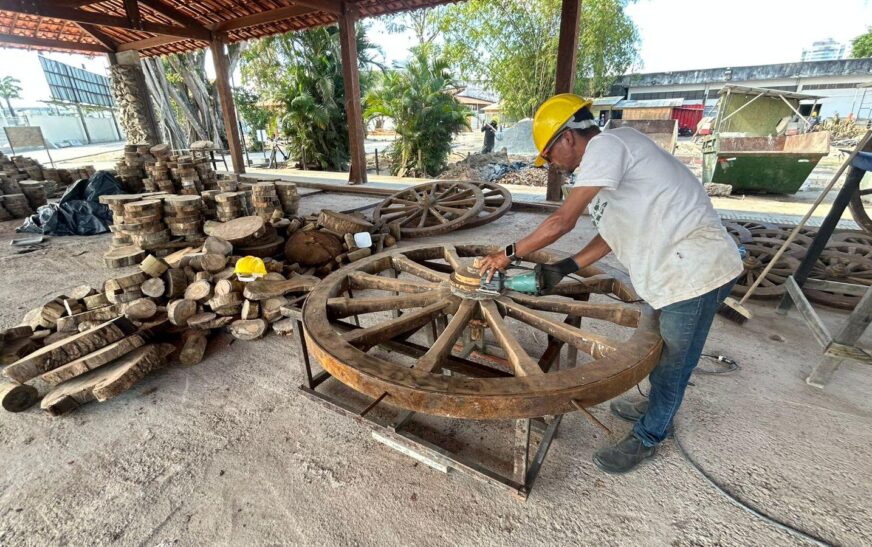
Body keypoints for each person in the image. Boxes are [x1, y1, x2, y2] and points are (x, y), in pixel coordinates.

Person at [478, 94, 743, 474]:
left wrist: (508, 253)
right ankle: (655, 403)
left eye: (550, 153)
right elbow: (610, 236)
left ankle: (651, 434)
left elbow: (561, 222)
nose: (551, 164)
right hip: (667, 270)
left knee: (673, 364)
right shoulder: (606, 166)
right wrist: (566, 266)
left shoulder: (608, 145)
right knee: (657, 345)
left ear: (568, 137)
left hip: (697, 272)